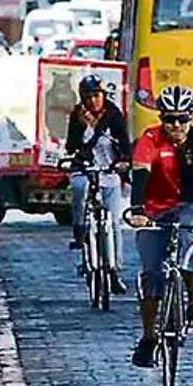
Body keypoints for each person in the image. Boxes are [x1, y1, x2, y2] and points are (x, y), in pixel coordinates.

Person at [126, 85, 193, 368]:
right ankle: (148, 338)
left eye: (182, 118)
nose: (176, 125)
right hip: (154, 208)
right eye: (169, 119)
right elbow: (140, 173)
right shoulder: (150, 138)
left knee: (191, 231)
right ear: (161, 118)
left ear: (191, 117)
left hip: (188, 205)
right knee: (151, 273)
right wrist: (137, 210)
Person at [64, 74, 130, 294]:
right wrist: (83, 127)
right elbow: (70, 145)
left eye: (97, 95)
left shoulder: (114, 114)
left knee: (114, 222)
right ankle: (79, 231)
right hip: (85, 168)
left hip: (108, 171)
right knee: (79, 189)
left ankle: (114, 270)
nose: (93, 101)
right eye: (89, 97)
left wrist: (123, 163)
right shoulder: (77, 115)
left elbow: (124, 144)